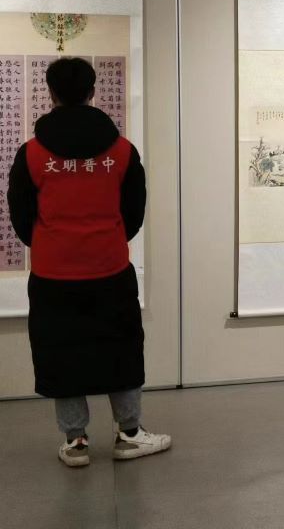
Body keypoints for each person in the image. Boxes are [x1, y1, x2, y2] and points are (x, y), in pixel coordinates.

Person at [6, 57, 171, 467]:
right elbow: (134, 211)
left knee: (60, 350)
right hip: (109, 269)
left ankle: (75, 441)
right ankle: (129, 434)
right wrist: (106, 239)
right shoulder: (122, 151)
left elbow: (21, 214)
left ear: (51, 93)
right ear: (93, 91)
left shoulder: (32, 154)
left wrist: (50, 243)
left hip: (52, 274)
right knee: (121, 346)